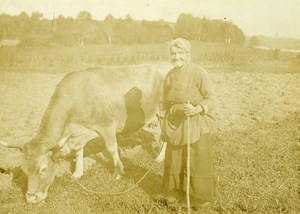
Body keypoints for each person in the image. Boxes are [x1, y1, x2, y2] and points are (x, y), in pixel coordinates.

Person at [160, 38, 216, 208]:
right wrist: (163, 112)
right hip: (175, 123)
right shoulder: (170, 75)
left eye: (180, 53)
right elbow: (165, 101)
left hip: (195, 121)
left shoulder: (199, 72)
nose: (177, 56)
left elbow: (211, 99)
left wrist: (197, 109)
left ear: (188, 54)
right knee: (175, 157)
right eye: (173, 53)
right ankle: (175, 192)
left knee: (197, 158)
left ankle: (200, 197)